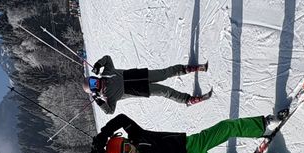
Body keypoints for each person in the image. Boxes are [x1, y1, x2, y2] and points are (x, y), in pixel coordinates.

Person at [79, 111, 292, 153]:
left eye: (126, 145)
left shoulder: (138, 135)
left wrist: (103, 135)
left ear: (125, 140)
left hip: (190, 143)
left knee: (226, 128)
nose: (130, 150)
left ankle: (263, 125)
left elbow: (122, 118)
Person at [83, 54, 211, 113]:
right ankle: (188, 100)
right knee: (166, 91)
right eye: (93, 85)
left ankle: (190, 68)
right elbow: (110, 111)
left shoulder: (107, 73)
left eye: (93, 80)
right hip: (141, 89)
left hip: (141, 75)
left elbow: (108, 58)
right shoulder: (108, 97)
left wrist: (98, 64)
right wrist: (99, 102)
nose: (96, 82)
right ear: (94, 90)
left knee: (164, 73)